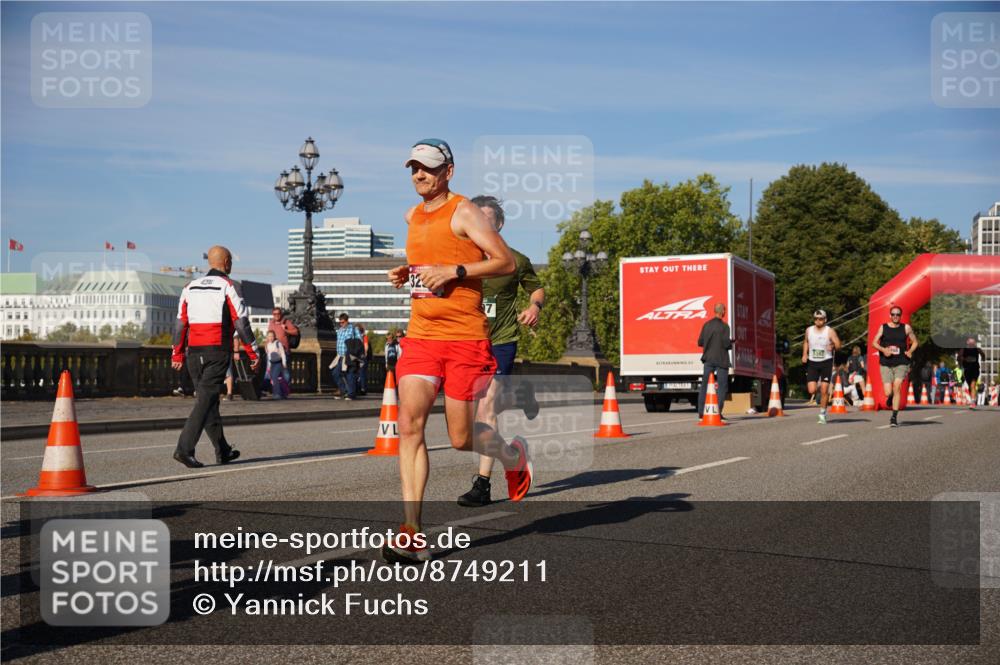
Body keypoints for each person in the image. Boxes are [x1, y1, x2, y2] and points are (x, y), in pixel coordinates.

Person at [383, 138, 526, 563]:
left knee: (462, 438)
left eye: (427, 167)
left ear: (448, 171)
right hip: (421, 336)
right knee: (410, 426)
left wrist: (456, 270)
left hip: (464, 339)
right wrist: (407, 272)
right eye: (414, 168)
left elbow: (504, 262)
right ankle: (412, 531)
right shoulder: (411, 215)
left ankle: (511, 455)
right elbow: (429, 263)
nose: (419, 175)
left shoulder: (464, 211)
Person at [457, 195, 545, 508]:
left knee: (486, 411)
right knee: (466, 421)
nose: (481, 225)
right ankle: (519, 398)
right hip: (466, 343)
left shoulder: (514, 259)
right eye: (476, 220)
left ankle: (482, 484)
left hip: (500, 341)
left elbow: (536, 288)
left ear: (500, 224)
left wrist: (534, 306)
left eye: (488, 220)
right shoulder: (460, 259)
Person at [171, 245, 259, 468]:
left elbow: (180, 324)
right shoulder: (229, 286)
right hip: (216, 351)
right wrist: (253, 352)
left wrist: (177, 354)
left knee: (208, 401)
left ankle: (223, 450)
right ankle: (184, 449)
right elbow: (241, 323)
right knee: (205, 401)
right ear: (227, 262)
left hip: (193, 353)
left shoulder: (189, 287)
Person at [872, 305, 919, 427]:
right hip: (886, 363)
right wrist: (883, 350)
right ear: (890, 315)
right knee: (888, 392)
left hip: (902, 362)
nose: (895, 316)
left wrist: (910, 351)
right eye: (893, 314)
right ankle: (891, 396)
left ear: (900, 316)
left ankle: (894, 417)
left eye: (898, 314)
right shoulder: (883, 327)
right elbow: (874, 343)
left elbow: (915, 342)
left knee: (897, 386)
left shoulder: (906, 328)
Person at [802, 309, 841, 425]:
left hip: (826, 362)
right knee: (812, 390)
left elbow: (839, 345)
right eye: (816, 319)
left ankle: (822, 414)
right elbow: (806, 342)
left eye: (820, 319)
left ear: (825, 319)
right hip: (812, 362)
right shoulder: (809, 330)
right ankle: (821, 385)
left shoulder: (830, 331)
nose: (818, 321)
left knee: (824, 390)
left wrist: (833, 345)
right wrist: (804, 354)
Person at [697, 302, 732, 419]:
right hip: (721, 360)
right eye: (724, 310)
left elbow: (700, 342)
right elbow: (726, 344)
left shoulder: (706, 325)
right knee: (722, 387)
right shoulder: (725, 327)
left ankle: (701, 412)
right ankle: (717, 411)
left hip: (708, 359)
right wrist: (731, 343)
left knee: (705, 386)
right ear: (722, 312)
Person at [328, 313, 362, 400]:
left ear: (347, 321)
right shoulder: (339, 330)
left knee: (350, 374)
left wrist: (356, 354)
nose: (341, 324)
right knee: (335, 373)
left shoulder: (353, 329)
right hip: (340, 356)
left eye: (342, 322)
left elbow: (359, 341)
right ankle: (344, 391)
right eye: (340, 322)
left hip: (349, 356)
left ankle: (351, 394)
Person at [267, 307, 299, 384]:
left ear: (281, 314)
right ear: (273, 314)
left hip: (284, 351)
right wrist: (266, 346)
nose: (276, 315)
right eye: (275, 314)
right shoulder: (271, 322)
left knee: (285, 371)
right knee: (271, 371)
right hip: (273, 352)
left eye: (278, 313)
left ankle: (286, 387)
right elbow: (269, 336)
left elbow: (296, 332)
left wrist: (285, 329)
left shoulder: (286, 322)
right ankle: (273, 387)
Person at [958, 337, 986, 410]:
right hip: (967, 370)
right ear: (967, 343)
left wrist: (983, 358)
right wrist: (961, 362)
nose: (972, 344)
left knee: (973, 385)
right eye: (970, 342)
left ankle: (972, 402)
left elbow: (982, 354)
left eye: (973, 343)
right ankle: (973, 399)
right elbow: (959, 357)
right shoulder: (963, 349)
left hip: (975, 369)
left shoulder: (977, 349)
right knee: (970, 386)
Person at [265, 330, 288, 399]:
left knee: (275, 377)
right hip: (272, 363)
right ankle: (277, 393)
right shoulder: (268, 345)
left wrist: (284, 363)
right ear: (267, 337)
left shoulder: (278, 343)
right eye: (269, 336)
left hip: (278, 363)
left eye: (272, 336)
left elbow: (282, 353)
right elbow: (269, 356)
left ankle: (277, 394)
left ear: (274, 336)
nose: (270, 338)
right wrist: (269, 366)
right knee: (273, 378)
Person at [356, 323, 372, 396]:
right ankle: (361, 388)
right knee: (361, 373)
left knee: (361, 373)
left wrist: (363, 354)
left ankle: (362, 388)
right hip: (359, 357)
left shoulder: (363, 336)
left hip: (362, 357)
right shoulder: (360, 336)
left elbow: (366, 346)